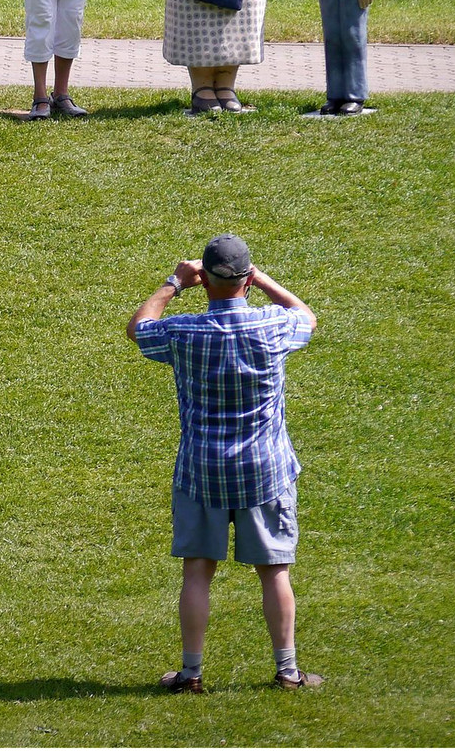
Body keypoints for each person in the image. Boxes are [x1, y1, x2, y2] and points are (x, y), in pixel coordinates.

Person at [126, 234, 323, 692]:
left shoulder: (184, 332)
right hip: (266, 470)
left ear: (206, 281)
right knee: (274, 572)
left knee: (197, 571)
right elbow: (307, 318)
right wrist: (266, 281)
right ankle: (288, 672)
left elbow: (139, 328)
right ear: (246, 280)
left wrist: (173, 282)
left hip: (201, 471)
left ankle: (191, 674)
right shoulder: (273, 327)